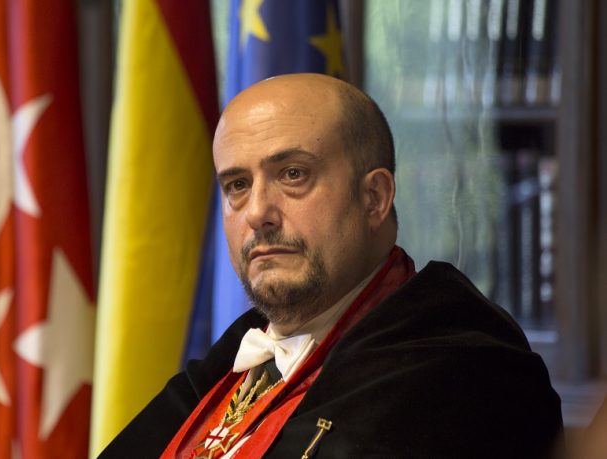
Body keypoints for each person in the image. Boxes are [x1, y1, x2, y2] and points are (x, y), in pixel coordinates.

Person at [100, 73, 562, 458]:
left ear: (374, 198)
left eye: (293, 174)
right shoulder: (232, 359)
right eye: (237, 185)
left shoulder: (465, 377)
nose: (257, 212)